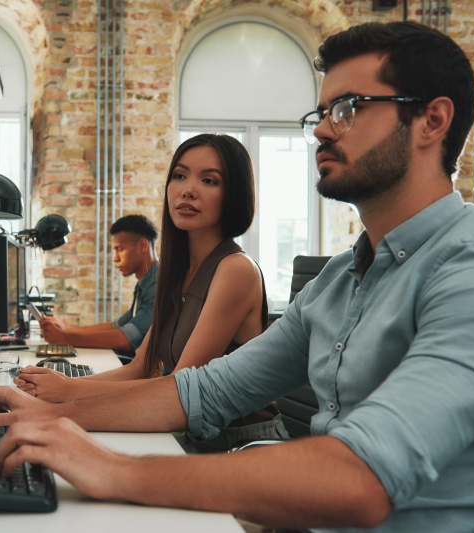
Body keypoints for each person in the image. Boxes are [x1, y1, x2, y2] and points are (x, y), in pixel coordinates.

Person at [0, 21, 474, 531]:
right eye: (320, 114)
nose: (322, 130)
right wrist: (56, 413)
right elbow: (203, 391)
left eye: (347, 108)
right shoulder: (340, 279)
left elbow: (361, 478)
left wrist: (112, 469)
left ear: (432, 121)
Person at [17, 136, 285, 453]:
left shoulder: (235, 269)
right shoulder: (174, 270)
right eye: (180, 175)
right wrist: (61, 385)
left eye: (209, 180)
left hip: (238, 445)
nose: (188, 190)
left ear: (234, 195)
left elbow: (179, 390)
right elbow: (140, 367)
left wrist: (66, 394)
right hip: (190, 432)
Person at [37, 214, 158, 357]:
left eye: (120, 249)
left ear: (143, 245)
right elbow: (117, 325)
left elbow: (127, 338)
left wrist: (65, 337)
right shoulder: (145, 283)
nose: (115, 258)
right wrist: (65, 328)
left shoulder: (158, 284)